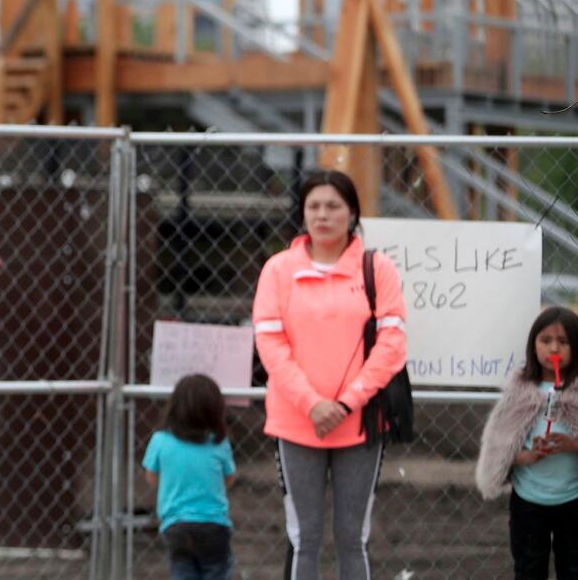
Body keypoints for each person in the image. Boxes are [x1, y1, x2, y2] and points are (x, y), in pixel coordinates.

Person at [251, 169, 407, 580]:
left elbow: (392, 345)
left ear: (352, 212)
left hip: (360, 422)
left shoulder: (379, 269)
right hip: (295, 422)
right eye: (314, 206)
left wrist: (345, 403)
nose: (323, 214)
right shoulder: (278, 270)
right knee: (305, 538)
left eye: (333, 205)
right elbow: (271, 345)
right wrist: (312, 404)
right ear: (303, 214)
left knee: (352, 538)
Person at [476, 306, 578, 579]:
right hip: (529, 503)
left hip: (574, 501)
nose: (554, 348)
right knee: (529, 568)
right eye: (546, 341)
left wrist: (572, 444)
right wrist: (528, 455)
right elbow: (501, 445)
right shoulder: (519, 392)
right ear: (533, 346)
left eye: (564, 341)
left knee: (574, 568)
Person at [142, 374, 236, 580]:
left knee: (182, 571)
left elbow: (151, 477)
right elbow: (229, 478)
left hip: (175, 524)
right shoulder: (219, 442)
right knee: (216, 571)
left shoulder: (160, 440)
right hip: (214, 524)